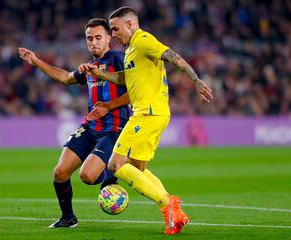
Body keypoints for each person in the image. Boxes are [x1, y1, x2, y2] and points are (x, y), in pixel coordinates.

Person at [79, 7, 213, 235]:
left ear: (130, 25)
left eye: (115, 29)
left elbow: (172, 56)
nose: (114, 34)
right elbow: (126, 78)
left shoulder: (142, 40)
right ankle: (174, 209)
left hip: (147, 114)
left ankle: (166, 203)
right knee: (135, 168)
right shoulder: (132, 49)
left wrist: (196, 80)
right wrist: (101, 74)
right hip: (153, 114)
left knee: (115, 165)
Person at [19, 18, 130, 228]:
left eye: (98, 37)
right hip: (90, 127)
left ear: (109, 38)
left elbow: (136, 90)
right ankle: (68, 218)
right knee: (59, 173)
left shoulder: (119, 59)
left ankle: (109, 175)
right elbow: (65, 77)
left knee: (88, 176)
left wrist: (108, 106)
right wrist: (36, 61)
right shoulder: (89, 67)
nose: (94, 42)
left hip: (114, 129)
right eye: (90, 38)